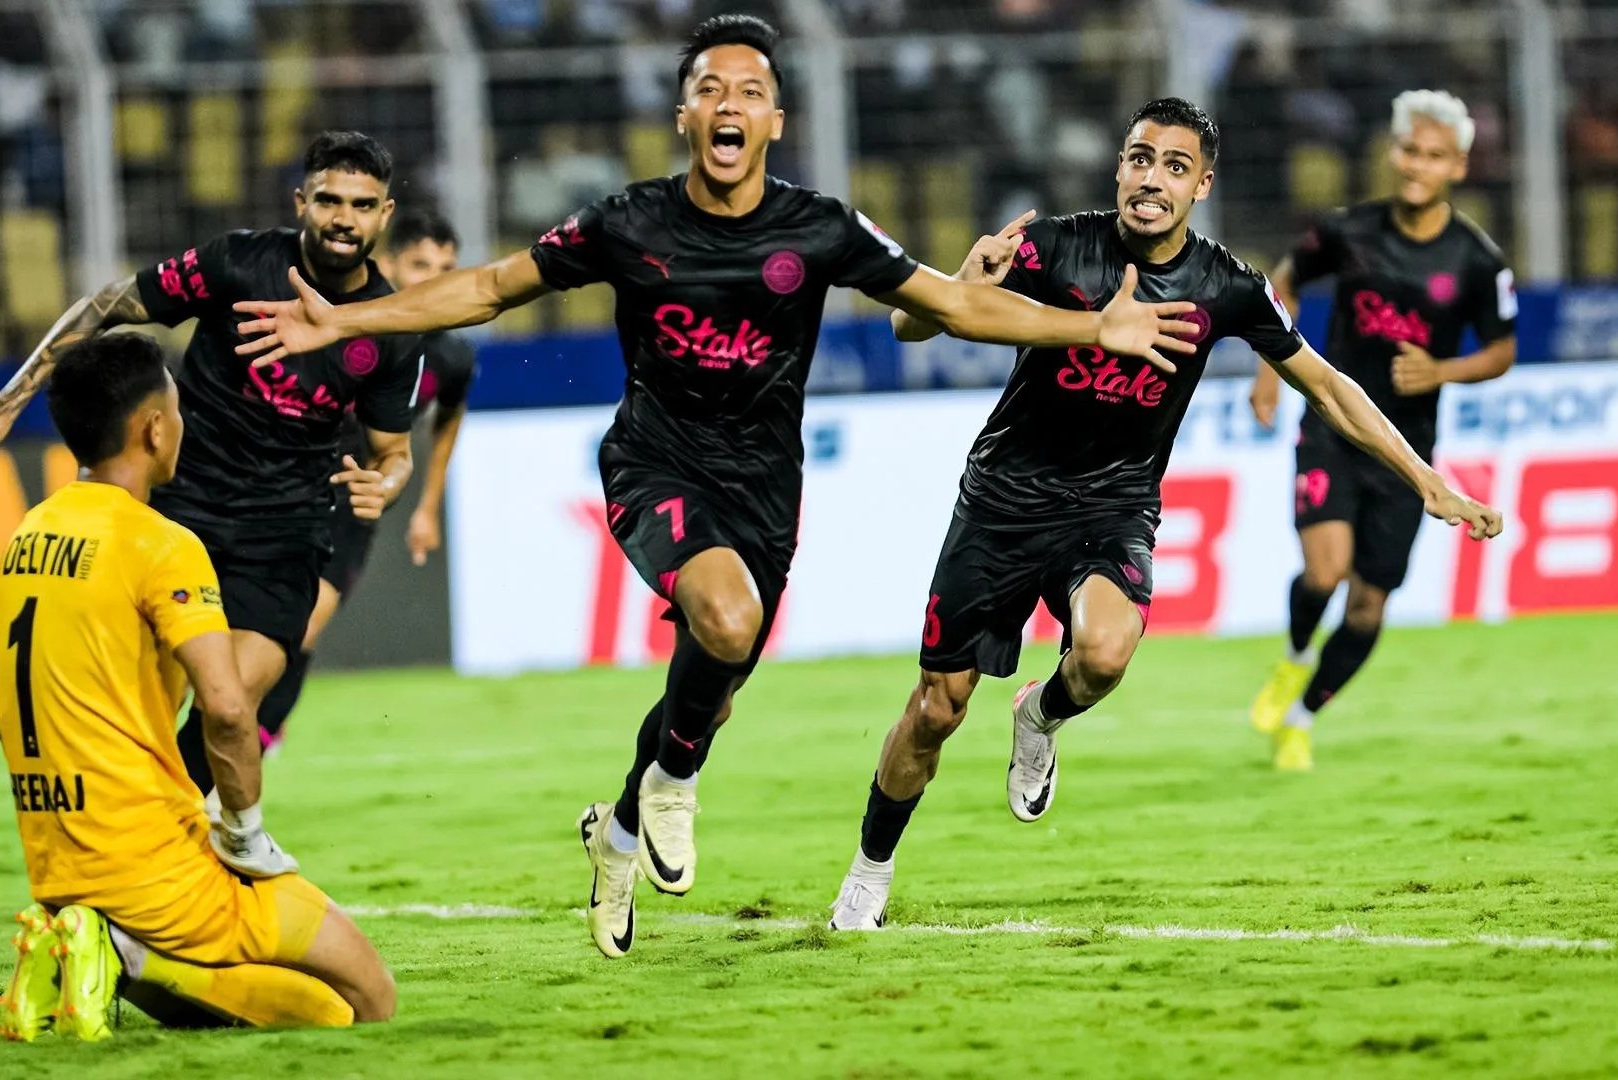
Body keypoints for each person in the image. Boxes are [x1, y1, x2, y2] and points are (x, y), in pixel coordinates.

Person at [226, 14, 1202, 960]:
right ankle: (674, 785)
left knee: (719, 679)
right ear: (684, 116)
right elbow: (488, 288)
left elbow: (948, 303)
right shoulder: (628, 222)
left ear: (776, 119)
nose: (729, 103)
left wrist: (1090, 329)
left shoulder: (817, 230)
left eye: (751, 91)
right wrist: (353, 322)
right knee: (726, 623)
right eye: (709, 89)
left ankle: (616, 832)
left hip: (766, 493)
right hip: (654, 463)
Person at [825, 97, 1502, 931]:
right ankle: (870, 869)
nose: (1152, 178)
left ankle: (1040, 713)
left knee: (1105, 655)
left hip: (1113, 503)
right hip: (1003, 499)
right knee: (936, 708)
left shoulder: (1227, 285)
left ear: (1202, 185)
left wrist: (1424, 477)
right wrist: (962, 282)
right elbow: (908, 328)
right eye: (1140, 158)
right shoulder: (1053, 246)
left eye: (1174, 167)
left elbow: (1325, 384)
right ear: (1119, 167)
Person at [0, 132, 425, 794]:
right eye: (330, 200)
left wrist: (382, 486)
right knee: (121, 702)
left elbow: (395, 453)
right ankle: (126, 849)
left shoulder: (390, 326)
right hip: (175, 516)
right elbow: (106, 306)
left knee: (229, 704)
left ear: (384, 215)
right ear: (301, 201)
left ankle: (151, 836)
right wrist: (6, 404)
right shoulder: (238, 265)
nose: (344, 218)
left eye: (363, 205)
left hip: (283, 536)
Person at [0, 333, 392, 1041]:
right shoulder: (163, 544)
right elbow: (228, 708)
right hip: (157, 869)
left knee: (252, 994)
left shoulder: (29, 531)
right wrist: (244, 835)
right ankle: (120, 952)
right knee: (364, 999)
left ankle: (87, 941)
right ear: (152, 428)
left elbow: (2, 713)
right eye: (177, 408)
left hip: (56, 864)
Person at [1247, 90, 1518, 771]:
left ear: (1457, 166)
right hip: (1334, 426)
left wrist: (1443, 370)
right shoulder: (1347, 230)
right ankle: (1294, 658)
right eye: (1407, 151)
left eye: (1432, 156)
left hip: (1408, 452)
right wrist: (1270, 369)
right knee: (1324, 569)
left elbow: (1502, 350)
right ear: (1393, 153)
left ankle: (1303, 718)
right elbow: (1284, 278)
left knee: (1368, 603)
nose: (1415, 166)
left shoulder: (1478, 261)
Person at [254, 208, 478, 755]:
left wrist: (427, 505)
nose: (435, 277)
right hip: (283, 485)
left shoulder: (451, 355)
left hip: (353, 501)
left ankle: (260, 735)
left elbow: (448, 419)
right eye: (421, 264)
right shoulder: (342, 327)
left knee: (302, 628)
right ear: (389, 264)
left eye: (446, 266)